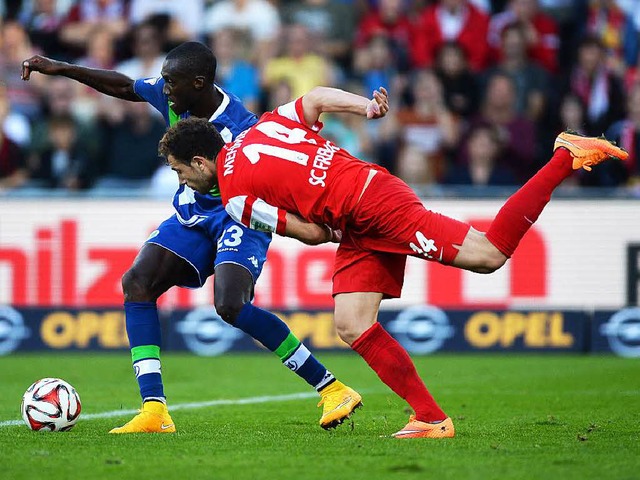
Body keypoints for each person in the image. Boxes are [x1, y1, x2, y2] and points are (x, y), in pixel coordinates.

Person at [158, 86, 627, 438]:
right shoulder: (262, 125)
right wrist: (366, 107)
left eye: (180, 172)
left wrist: (319, 217)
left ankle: (565, 157)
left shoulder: (236, 198)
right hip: (366, 197)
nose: (184, 181)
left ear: (201, 162)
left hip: (372, 211)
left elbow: (312, 233)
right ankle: (430, 418)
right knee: (352, 323)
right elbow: (316, 98)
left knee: (489, 255)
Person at [21, 42, 361, 434]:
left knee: (231, 305)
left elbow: (281, 176)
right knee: (137, 283)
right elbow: (124, 87)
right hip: (193, 214)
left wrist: (312, 220)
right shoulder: (175, 97)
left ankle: (331, 388)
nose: (163, 88)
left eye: (171, 82)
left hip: (240, 214)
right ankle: (154, 411)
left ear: (198, 83)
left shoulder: (243, 128)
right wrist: (61, 68)